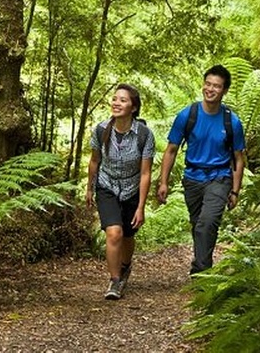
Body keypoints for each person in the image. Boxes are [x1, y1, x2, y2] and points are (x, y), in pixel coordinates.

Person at [157, 65, 245, 275]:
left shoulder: (232, 122)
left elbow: (238, 159)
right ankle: (202, 264)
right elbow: (171, 150)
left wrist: (235, 191)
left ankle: (201, 273)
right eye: (208, 84)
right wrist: (163, 182)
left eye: (216, 86)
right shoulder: (188, 115)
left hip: (219, 177)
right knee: (198, 224)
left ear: (224, 91)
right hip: (192, 178)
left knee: (207, 222)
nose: (210, 89)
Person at [86, 83, 155, 300]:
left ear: (133, 107)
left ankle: (125, 266)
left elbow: (145, 173)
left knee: (127, 234)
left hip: (132, 189)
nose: (116, 103)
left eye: (123, 100)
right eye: (115, 99)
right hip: (106, 185)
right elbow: (94, 161)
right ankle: (115, 281)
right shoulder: (101, 130)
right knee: (114, 232)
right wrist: (89, 188)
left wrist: (141, 207)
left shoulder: (144, 135)